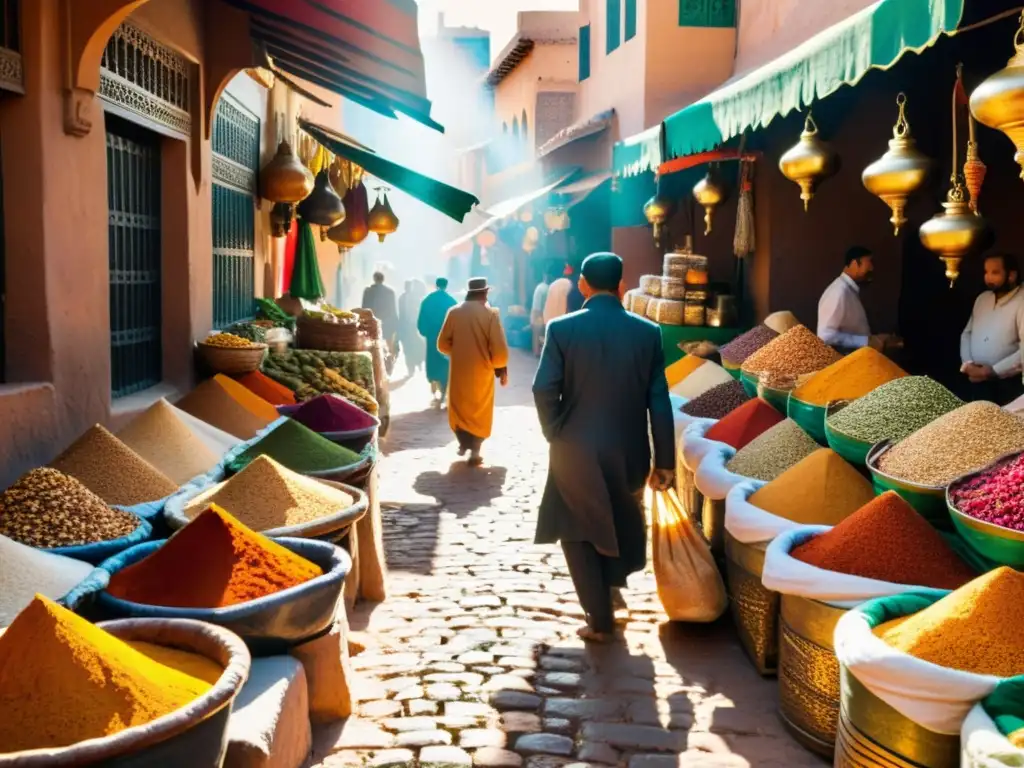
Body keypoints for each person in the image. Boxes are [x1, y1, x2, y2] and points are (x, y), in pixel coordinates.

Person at [533, 253, 675, 643]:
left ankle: (599, 619)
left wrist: (555, 431)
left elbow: (543, 387)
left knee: (576, 529)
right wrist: (665, 460)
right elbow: (659, 401)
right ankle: (613, 594)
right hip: (629, 449)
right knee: (621, 517)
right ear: (622, 285)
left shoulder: (562, 329)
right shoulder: (648, 333)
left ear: (582, 285)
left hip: (573, 449)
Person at [437, 277, 510, 466]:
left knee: (460, 408)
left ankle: (463, 443)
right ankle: (475, 451)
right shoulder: (491, 314)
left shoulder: (454, 312)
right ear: (483, 293)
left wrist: (459, 350)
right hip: (482, 372)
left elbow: (442, 344)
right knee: (479, 410)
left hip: (460, 370)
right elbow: (500, 351)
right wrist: (500, 367)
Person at [960, 253, 1024, 404]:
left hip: (1008, 385)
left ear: (1011, 275)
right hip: (978, 382)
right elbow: (967, 334)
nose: (988, 278)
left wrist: (994, 371)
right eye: (986, 272)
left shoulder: (1021, 301)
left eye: (995, 272)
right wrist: (968, 363)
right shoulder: (983, 299)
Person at [817, 246, 889, 354]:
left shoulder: (848, 290)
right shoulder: (839, 292)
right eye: (869, 262)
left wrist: (874, 339)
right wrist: (865, 341)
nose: (872, 268)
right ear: (855, 263)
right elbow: (825, 336)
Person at [417, 277, 458, 407]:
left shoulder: (428, 300)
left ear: (436, 285)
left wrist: (425, 332)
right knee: (445, 363)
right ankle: (444, 390)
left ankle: (434, 390)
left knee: (432, 361)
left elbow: (421, 320)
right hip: (446, 337)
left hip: (432, 336)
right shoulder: (452, 301)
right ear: (446, 285)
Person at [362, 272, 399, 366]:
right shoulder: (390, 291)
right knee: (389, 342)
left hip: (372, 321)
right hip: (387, 321)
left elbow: (364, 308)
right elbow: (393, 309)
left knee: (373, 343)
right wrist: (395, 323)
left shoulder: (368, 291)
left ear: (374, 279)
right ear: (383, 279)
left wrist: (363, 320)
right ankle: (390, 361)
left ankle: (375, 363)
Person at [531, 263, 560, 356]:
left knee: (539, 338)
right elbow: (537, 308)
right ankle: (538, 353)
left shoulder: (545, 287)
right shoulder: (543, 288)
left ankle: (538, 353)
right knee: (539, 337)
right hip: (539, 316)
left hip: (541, 316)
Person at [399, 279, 426, 376]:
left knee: (410, 347)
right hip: (408, 326)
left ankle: (414, 365)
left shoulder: (408, 298)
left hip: (410, 326)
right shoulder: (407, 298)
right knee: (409, 348)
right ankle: (413, 366)